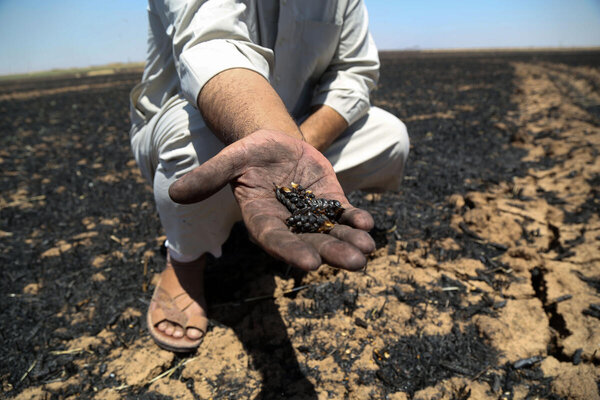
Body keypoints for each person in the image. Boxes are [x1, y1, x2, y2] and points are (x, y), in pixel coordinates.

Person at [129, 0, 410, 352]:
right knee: (194, 143)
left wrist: (298, 145)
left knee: (389, 134)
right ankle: (184, 262)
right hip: (201, 116)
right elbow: (212, 47)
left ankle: (258, 197)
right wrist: (268, 140)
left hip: (297, 128)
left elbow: (354, 73)